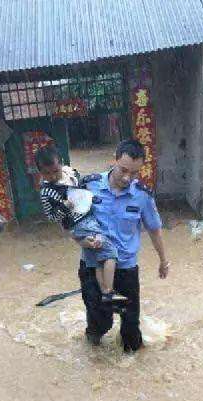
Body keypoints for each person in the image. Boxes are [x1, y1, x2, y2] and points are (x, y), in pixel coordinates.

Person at [77, 139, 170, 352]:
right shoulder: (89, 185)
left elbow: (154, 229)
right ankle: (90, 354)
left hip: (126, 268)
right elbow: (73, 220)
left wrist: (163, 261)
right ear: (115, 160)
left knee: (131, 330)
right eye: (123, 170)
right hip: (93, 267)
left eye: (134, 173)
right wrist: (82, 240)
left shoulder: (142, 196)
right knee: (100, 323)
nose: (127, 178)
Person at [34, 144, 127, 303]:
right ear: (39, 172)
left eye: (56, 171)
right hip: (82, 223)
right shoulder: (46, 191)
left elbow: (85, 187)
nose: (53, 176)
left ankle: (104, 292)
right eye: (47, 173)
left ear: (61, 163)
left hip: (87, 221)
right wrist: (64, 207)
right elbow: (51, 217)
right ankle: (109, 292)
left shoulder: (70, 173)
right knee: (111, 253)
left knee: (96, 260)